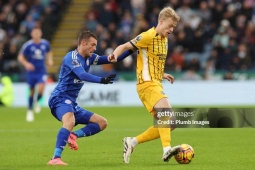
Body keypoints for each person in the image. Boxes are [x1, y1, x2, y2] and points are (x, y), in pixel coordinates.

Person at [47, 30, 133, 166]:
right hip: (59, 98)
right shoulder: (72, 58)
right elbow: (81, 75)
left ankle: (73, 135)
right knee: (69, 121)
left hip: (71, 102)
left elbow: (112, 58)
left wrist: (132, 49)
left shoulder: (90, 58)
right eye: (92, 45)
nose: (95, 48)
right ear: (83, 43)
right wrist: (102, 80)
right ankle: (55, 158)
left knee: (102, 122)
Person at [108, 6, 181, 163]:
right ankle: (167, 150)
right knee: (166, 114)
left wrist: (163, 74)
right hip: (146, 84)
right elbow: (125, 46)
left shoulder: (165, 40)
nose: (171, 30)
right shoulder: (147, 36)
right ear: (161, 21)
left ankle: (132, 142)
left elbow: (152, 61)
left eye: (173, 27)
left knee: (171, 123)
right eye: (169, 26)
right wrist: (115, 54)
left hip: (156, 83)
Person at [18, 26, 53, 122]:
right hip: (31, 71)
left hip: (41, 70)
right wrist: (26, 64)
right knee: (32, 91)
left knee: (41, 89)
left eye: (38, 33)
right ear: (32, 34)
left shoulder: (45, 44)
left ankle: (36, 102)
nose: (36, 35)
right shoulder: (28, 45)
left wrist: (50, 60)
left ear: (40, 33)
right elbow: (20, 57)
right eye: (35, 33)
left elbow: (49, 52)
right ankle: (29, 111)